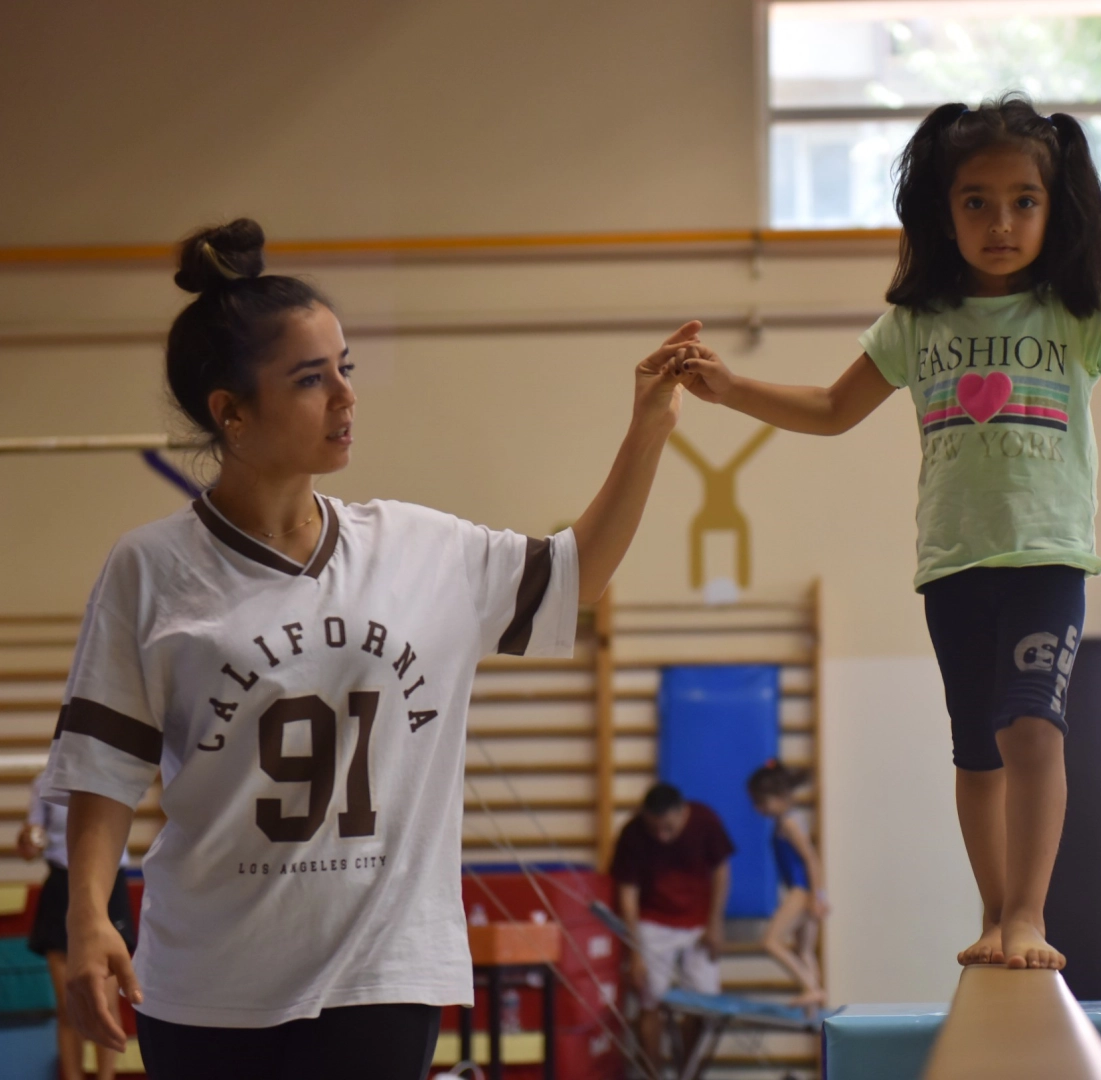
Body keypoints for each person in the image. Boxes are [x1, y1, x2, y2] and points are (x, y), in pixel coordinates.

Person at [669, 95, 1101, 972]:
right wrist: (732, 390)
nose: (1000, 222)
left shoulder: (1071, 311)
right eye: (975, 201)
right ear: (943, 211)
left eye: (1022, 201)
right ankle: (993, 912)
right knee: (976, 752)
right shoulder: (917, 323)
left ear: (1056, 209)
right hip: (952, 562)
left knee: (1032, 731)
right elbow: (828, 409)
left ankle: (1028, 916)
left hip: (1045, 556)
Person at [40, 218, 710, 1080]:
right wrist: (89, 915)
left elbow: (574, 578)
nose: (347, 398)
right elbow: (104, 768)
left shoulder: (418, 547)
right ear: (231, 414)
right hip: (205, 982)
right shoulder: (152, 566)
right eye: (312, 380)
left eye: (346, 369)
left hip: (380, 977)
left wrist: (650, 426)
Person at [609, 782, 734, 1070]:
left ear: (682, 812)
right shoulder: (632, 834)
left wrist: (715, 923)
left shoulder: (705, 821)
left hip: (698, 923)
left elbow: (721, 873)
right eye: (654, 829)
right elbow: (628, 897)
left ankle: (686, 1073)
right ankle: (654, 1074)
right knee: (649, 1001)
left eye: (668, 827)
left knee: (705, 1005)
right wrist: (636, 953)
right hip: (653, 921)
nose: (661, 837)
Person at [17, 778, 136, 1080]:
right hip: (62, 885)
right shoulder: (45, 782)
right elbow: (31, 844)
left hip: (108, 884)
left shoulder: (114, 770)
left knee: (104, 1004)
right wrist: (29, 840)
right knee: (68, 1005)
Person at [745, 761, 827, 1007]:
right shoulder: (792, 819)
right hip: (806, 891)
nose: (758, 808)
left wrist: (817, 897)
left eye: (761, 802)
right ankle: (815, 1006)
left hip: (801, 891)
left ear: (780, 796)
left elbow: (810, 859)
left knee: (769, 941)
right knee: (804, 951)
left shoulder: (789, 823)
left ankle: (812, 989)